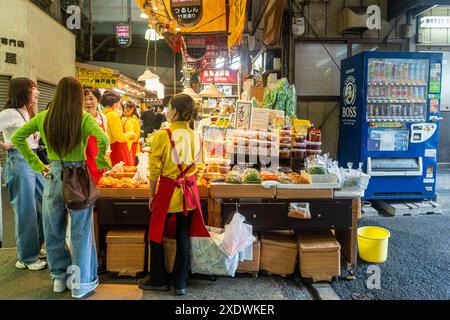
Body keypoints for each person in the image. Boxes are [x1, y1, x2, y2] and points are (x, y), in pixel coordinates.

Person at [11, 76, 110, 299]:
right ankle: (81, 282)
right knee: (80, 231)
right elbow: (103, 139)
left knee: (53, 230)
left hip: (53, 174)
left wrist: (37, 163)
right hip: (77, 176)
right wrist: (102, 160)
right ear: (77, 95)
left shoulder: (44, 116)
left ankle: (58, 277)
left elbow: (18, 137)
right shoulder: (83, 118)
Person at [138, 94, 209, 296]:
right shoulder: (198, 138)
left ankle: (159, 279)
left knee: (156, 233)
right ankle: (181, 282)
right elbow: (201, 167)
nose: (167, 110)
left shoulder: (163, 135)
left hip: (168, 191)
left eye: (169, 107)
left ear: (175, 111)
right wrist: (189, 180)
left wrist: (152, 194)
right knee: (183, 236)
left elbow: (154, 169)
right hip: (189, 193)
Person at [0, 77, 46, 271]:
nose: (37, 92)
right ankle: (26, 257)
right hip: (18, 160)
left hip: (33, 158)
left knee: (45, 204)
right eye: (33, 88)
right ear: (23, 91)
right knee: (25, 208)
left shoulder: (27, 112)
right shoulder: (8, 113)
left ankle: (34, 246)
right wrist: (5, 145)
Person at [101, 91, 134, 166]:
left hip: (109, 150)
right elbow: (119, 137)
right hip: (117, 151)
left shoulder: (102, 114)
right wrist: (130, 134)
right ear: (115, 103)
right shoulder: (113, 115)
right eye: (119, 102)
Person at [84, 87, 109, 184]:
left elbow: (106, 137)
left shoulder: (103, 117)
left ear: (98, 100)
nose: (87, 102)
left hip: (99, 161)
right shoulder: (79, 118)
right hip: (85, 161)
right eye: (84, 99)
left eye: (91, 98)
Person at [122, 101, 141, 166]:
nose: (124, 111)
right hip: (134, 148)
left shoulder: (132, 120)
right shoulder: (133, 119)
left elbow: (131, 136)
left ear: (132, 109)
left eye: (126, 108)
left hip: (132, 148)